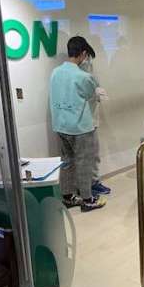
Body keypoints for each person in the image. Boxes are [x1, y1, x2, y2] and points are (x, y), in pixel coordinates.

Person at [50, 36, 106, 212]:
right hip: (80, 127)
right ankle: (88, 200)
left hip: (61, 125)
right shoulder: (83, 76)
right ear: (83, 54)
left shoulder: (55, 72)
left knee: (67, 162)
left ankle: (68, 197)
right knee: (84, 163)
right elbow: (92, 94)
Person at [78, 46, 111, 197]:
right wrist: (96, 93)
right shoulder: (79, 75)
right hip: (83, 123)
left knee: (93, 155)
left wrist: (99, 93)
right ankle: (89, 188)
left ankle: (92, 184)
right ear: (83, 54)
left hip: (90, 121)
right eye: (88, 58)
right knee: (86, 157)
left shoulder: (88, 73)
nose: (89, 62)